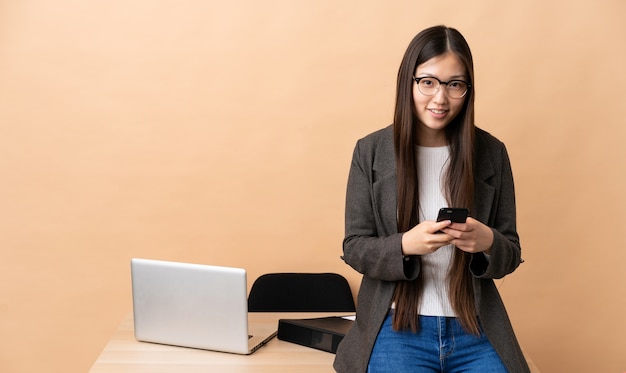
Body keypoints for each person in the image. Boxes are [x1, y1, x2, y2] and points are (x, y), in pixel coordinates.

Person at [333, 25, 530, 373]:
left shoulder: (491, 153)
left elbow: (511, 252)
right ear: (408, 82)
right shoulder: (371, 151)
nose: (440, 98)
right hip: (397, 327)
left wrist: (487, 241)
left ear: (467, 90)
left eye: (455, 84)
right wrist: (405, 244)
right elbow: (355, 246)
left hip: (474, 326)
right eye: (428, 82)